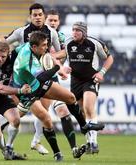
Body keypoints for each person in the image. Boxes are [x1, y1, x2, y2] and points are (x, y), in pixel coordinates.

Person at [0, 3, 61, 155]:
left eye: (40, 14)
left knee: (38, 112)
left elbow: (62, 52)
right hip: (23, 79)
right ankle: (5, 138)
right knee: (41, 114)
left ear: (44, 16)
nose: (38, 17)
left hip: (43, 76)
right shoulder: (21, 33)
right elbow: (5, 40)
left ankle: (33, 140)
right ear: (30, 16)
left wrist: (53, 60)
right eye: (34, 15)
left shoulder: (52, 33)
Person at [11, 31, 105, 161]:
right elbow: (42, 76)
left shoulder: (28, 45)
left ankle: (84, 127)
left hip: (36, 82)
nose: (46, 48)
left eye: (46, 44)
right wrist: (56, 68)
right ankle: (6, 143)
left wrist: (10, 66)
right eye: (43, 45)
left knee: (70, 98)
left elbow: (14, 52)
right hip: (27, 90)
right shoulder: (28, 60)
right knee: (35, 119)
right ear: (34, 47)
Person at [54, 22, 114, 154]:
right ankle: (88, 141)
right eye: (73, 30)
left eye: (77, 30)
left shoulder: (94, 43)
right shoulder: (69, 44)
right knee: (82, 112)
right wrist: (61, 68)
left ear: (84, 33)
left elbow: (109, 58)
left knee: (88, 107)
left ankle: (94, 143)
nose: (74, 32)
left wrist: (101, 72)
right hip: (75, 81)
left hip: (91, 79)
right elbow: (55, 57)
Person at [31, 9, 82, 158]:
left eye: (55, 21)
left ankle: (74, 148)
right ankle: (1, 135)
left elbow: (64, 53)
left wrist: (59, 67)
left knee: (63, 111)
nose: (53, 23)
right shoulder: (35, 36)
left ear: (59, 22)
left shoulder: (59, 37)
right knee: (38, 112)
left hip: (54, 78)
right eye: (50, 20)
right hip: (38, 79)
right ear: (45, 21)